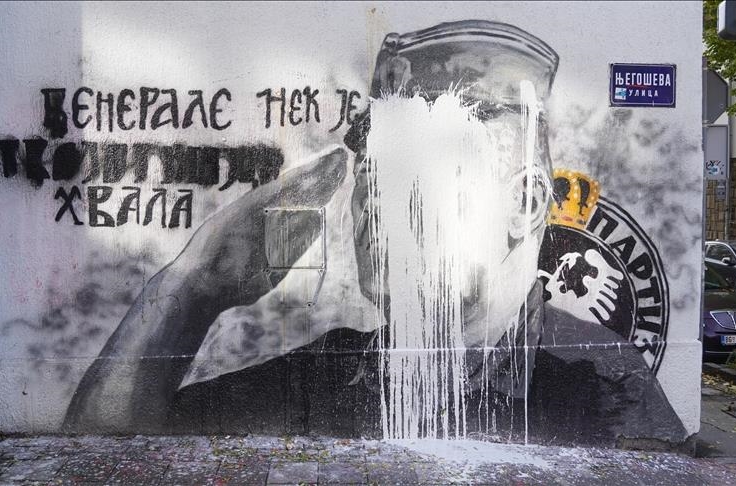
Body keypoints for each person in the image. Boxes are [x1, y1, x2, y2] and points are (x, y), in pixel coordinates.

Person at [65, 20, 686, 447]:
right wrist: (191, 289)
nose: (372, 214)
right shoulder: (338, 372)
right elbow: (106, 454)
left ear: (522, 204)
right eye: (370, 185)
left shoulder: (594, 375)